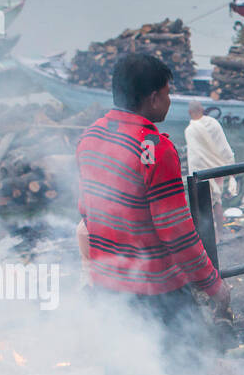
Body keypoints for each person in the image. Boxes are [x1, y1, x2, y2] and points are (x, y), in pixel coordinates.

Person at [77, 54, 232, 347]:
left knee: (130, 372)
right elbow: (176, 231)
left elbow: (86, 210)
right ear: (153, 98)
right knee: (186, 372)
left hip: (108, 290)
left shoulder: (89, 138)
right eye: (168, 93)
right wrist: (213, 284)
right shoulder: (154, 148)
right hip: (157, 296)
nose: (170, 100)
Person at [184, 101, 237, 221]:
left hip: (201, 172)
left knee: (204, 205)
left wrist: (193, 175)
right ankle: (219, 233)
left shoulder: (191, 130)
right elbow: (224, 147)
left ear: (189, 112)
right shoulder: (214, 123)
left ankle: (209, 234)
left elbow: (195, 156)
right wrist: (231, 164)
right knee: (217, 201)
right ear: (202, 109)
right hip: (217, 169)